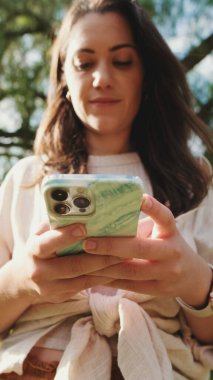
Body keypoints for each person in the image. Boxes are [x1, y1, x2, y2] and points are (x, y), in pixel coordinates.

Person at [0, 0, 213, 379]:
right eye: (84, 63)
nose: (101, 78)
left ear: (146, 73)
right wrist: (22, 280)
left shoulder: (195, 179)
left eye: (122, 60)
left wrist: (194, 280)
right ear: (64, 77)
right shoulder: (26, 178)